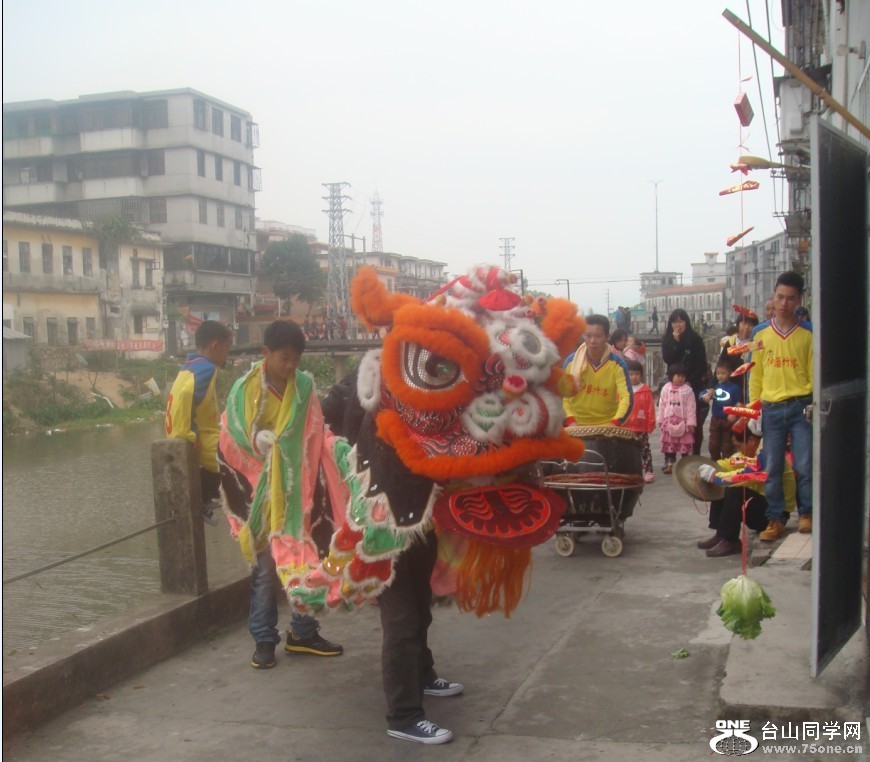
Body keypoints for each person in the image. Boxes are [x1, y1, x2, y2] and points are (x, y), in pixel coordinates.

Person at [218, 320, 343, 669]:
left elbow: (314, 431)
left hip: (297, 490)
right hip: (257, 494)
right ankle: (263, 639)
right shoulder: (245, 389)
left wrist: (335, 449)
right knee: (263, 571)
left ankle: (303, 632)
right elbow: (231, 434)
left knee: (302, 560)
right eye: (284, 358)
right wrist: (255, 443)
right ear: (266, 353)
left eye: (296, 359)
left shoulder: (304, 387)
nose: (290, 366)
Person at [748, 271, 813, 540]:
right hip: (771, 408)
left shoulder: (808, 333)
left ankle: (807, 512)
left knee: (805, 463)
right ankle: (776, 518)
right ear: (773, 296)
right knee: (772, 466)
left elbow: (813, 373)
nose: (784, 303)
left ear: (800, 299)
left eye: (790, 298)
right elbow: (755, 374)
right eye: (780, 297)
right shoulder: (760, 333)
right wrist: (754, 410)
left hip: (801, 406)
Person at [695, 416, 796, 556]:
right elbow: (732, 462)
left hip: (774, 516)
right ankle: (721, 534)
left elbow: (745, 476)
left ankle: (730, 540)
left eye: (739, 446)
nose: (739, 450)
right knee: (723, 483)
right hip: (762, 504)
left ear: (752, 440)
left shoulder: (768, 455)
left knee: (734, 489)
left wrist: (715, 476)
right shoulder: (752, 452)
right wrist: (712, 467)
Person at [165, 320, 232, 526]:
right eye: (226, 349)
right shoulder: (207, 369)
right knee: (235, 459)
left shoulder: (190, 365)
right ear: (215, 346)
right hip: (193, 436)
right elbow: (187, 394)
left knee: (227, 446)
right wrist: (190, 433)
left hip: (185, 432)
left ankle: (208, 495)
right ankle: (203, 498)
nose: (227, 355)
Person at [562, 314, 633, 427]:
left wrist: (614, 423)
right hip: (575, 425)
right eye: (588, 336)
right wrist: (570, 421)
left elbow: (626, 398)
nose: (592, 341)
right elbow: (562, 396)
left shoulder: (618, 364)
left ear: (607, 336)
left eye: (598, 336)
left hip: (608, 426)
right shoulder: (571, 362)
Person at [661, 308, 709, 455]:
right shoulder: (668, 340)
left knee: (694, 421)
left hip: (692, 385)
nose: (677, 325)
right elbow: (668, 360)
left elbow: (701, 364)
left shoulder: (695, 340)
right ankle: (670, 456)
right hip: (674, 386)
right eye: (674, 322)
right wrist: (676, 343)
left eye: (680, 321)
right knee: (672, 419)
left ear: (686, 322)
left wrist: (690, 381)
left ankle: (694, 454)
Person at [657, 363, 696, 473]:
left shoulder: (688, 390)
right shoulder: (666, 389)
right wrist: (660, 419)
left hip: (683, 422)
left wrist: (691, 423)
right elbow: (662, 404)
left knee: (684, 445)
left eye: (683, 376)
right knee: (670, 444)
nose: (681, 378)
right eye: (678, 376)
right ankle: (670, 464)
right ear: (671, 376)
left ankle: (685, 465)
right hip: (669, 421)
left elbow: (691, 407)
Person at [701, 360, 743, 460]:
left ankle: (725, 464)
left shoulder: (734, 388)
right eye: (718, 373)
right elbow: (703, 394)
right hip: (715, 419)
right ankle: (715, 462)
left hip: (728, 420)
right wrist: (705, 397)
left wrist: (734, 413)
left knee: (727, 446)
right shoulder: (714, 387)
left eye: (723, 373)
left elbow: (739, 403)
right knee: (713, 445)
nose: (720, 376)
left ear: (730, 373)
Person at [622, 359, 656, 482]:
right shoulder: (623, 389)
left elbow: (650, 408)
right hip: (626, 427)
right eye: (631, 374)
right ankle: (630, 471)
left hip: (641, 427)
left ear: (641, 375)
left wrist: (651, 423)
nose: (634, 377)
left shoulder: (646, 390)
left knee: (644, 449)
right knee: (627, 450)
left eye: (636, 374)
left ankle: (648, 470)